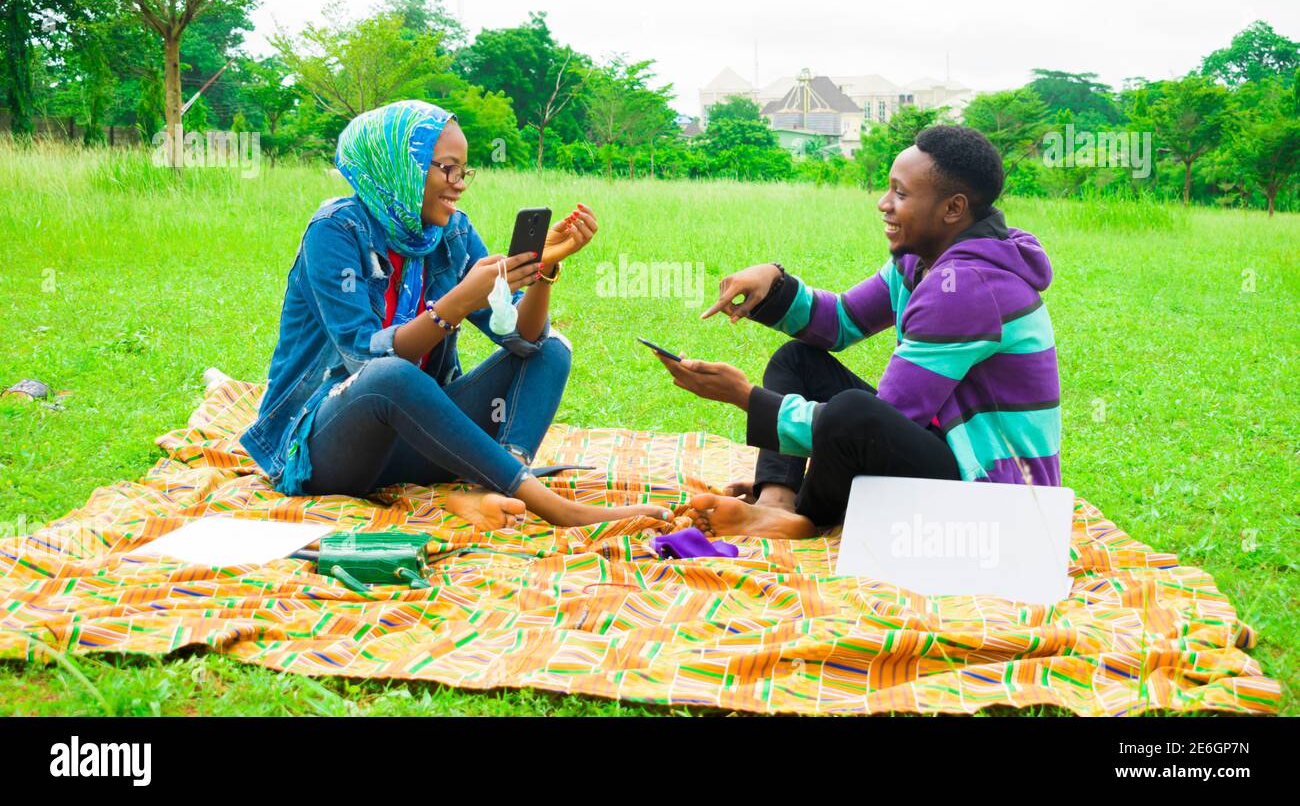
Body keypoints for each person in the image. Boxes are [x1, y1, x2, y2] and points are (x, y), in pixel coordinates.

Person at [239, 100, 671, 530]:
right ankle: (551, 506)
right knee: (389, 375)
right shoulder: (336, 230)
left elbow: (522, 337)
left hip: (418, 440)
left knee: (550, 348)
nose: (459, 183)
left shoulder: (452, 232)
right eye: (446, 168)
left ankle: (501, 484)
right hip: (329, 449)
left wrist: (542, 271)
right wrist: (458, 303)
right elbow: (362, 359)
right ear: (398, 166)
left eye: (463, 170)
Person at [654, 125, 1060, 539]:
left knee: (853, 414)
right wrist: (772, 281)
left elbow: (885, 419)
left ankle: (808, 516)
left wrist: (744, 397)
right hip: (947, 445)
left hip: (994, 492)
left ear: (952, 208)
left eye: (900, 194)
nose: (884, 204)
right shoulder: (921, 261)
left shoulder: (965, 286)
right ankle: (777, 500)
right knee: (798, 362)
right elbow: (842, 321)